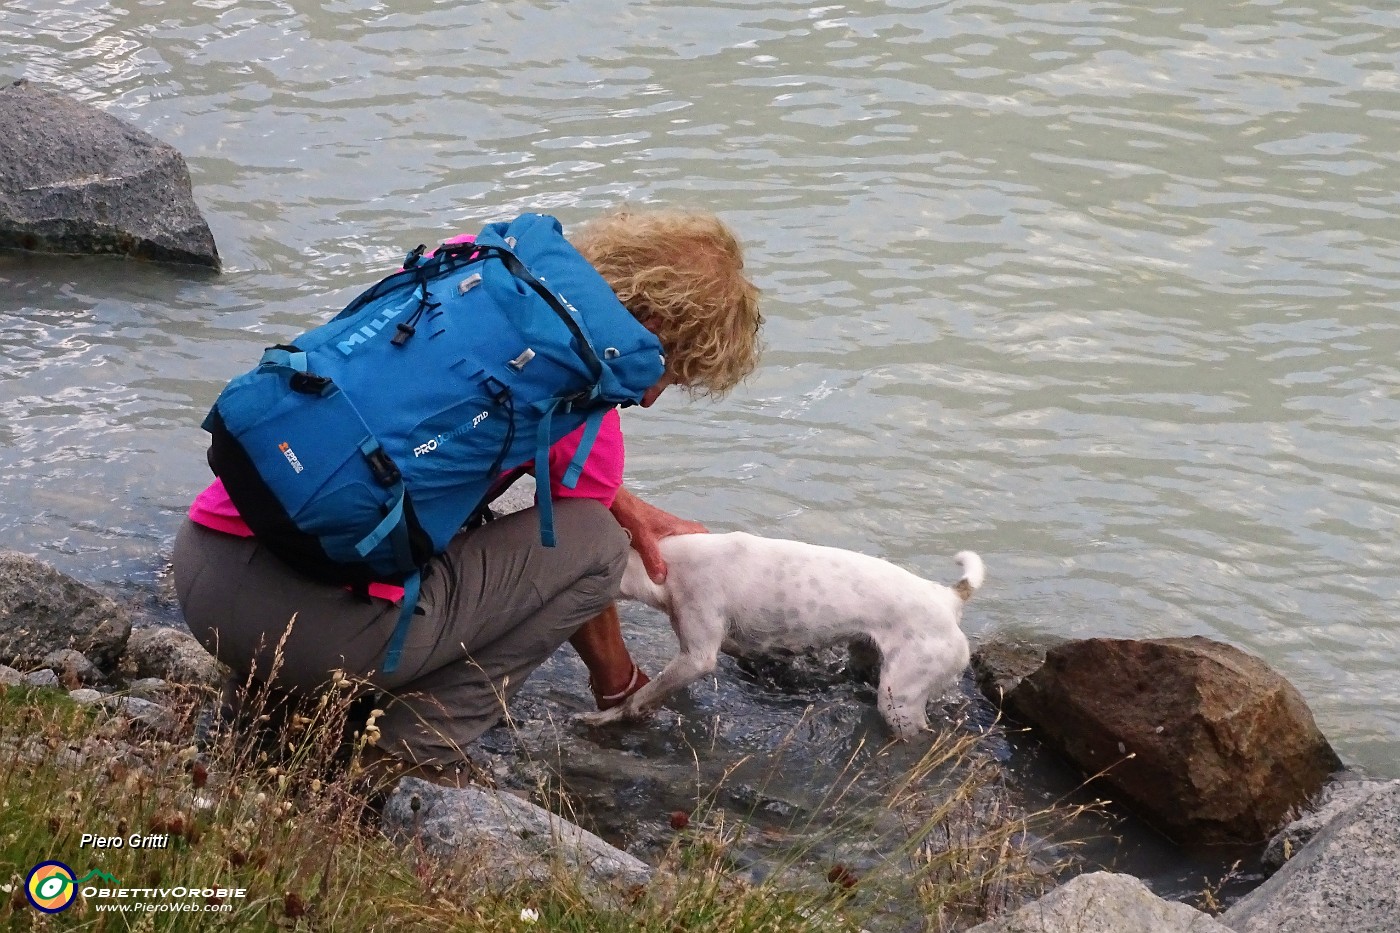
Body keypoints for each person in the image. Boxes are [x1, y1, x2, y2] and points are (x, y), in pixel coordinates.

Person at [173, 208, 762, 785]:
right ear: (653, 325)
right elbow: (577, 549)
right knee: (598, 545)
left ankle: (263, 713)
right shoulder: (583, 394)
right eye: (671, 371)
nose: (653, 396)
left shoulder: (467, 264)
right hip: (315, 642)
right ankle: (412, 759)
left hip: (204, 562)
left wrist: (617, 496)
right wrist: (619, 683)